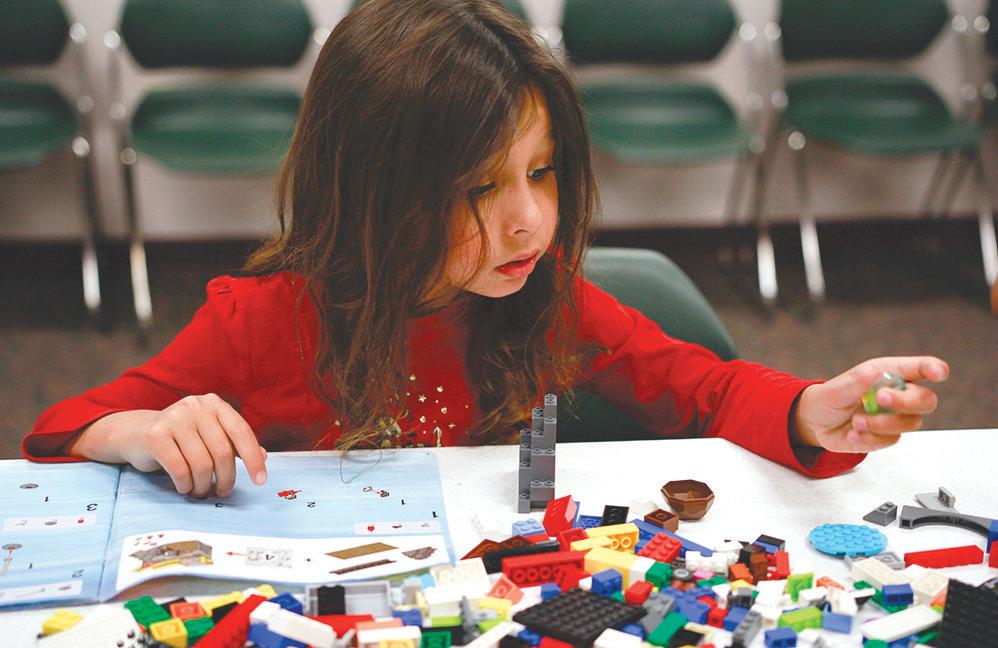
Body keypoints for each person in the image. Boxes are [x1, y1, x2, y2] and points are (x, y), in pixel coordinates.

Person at [23, 0, 948, 499]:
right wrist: (137, 431)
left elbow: (704, 390)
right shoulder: (260, 322)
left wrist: (810, 411)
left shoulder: (547, 296)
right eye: (479, 188)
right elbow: (57, 437)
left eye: (542, 173)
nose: (531, 222)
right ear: (375, 188)